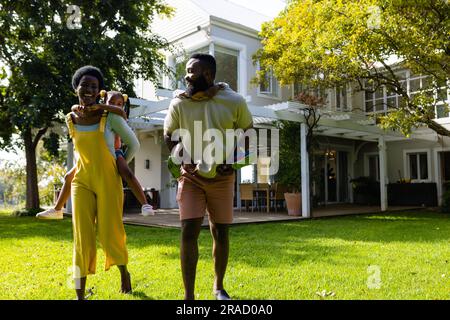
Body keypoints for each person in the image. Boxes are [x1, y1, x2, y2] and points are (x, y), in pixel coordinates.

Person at [164, 53, 253, 300]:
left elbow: (248, 132)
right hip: (191, 178)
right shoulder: (179, 103)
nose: (186, 75)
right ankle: (189, 296)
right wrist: (180, 158)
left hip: (222, 179)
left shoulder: (233, 100)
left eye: (192, 70)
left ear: (208, 74)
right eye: (187, 70)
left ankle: (218, 287)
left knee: (220, 231)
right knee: (188, 231)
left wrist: (235, 163)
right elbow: (169, 135)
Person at [63, 65, 138, 300]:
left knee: (109, 232)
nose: (88, 89)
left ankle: (124, 273)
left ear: (99, 91)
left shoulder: (110, 117)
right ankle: (80, 295)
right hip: (82, 182)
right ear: (76, 88)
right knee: (81, 238)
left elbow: (134, 144)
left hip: (108, 180)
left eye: (93, 87)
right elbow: (79, 152)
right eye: (84, 85)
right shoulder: (70, 118)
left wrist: (119, 162)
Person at [36, 90, 154, 220]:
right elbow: (74, 109)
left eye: (119, 103)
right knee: (69, 176)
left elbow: (121, 114)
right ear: (104, 100)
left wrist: (122, 160)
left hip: (114, 153)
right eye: (112, 102)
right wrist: (76, 107)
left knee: (127, 172)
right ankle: (57, 209)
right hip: (95, 156)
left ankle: (145, 204)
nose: (116, 105)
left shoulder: (118, 116)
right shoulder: (98, 115)